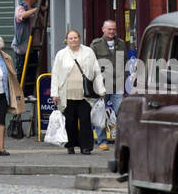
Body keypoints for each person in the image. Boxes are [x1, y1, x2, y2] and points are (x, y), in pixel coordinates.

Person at [51, 30, 105, 155]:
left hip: (84, 94)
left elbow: (96, 71)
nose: (73, 40)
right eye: (71, 38)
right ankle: (70, 145)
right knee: (70, 122)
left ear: (79, 38)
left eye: (75, 37)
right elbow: (55, 75)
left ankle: (86, 147)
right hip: (67, 94)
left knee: (85, 120)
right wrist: (55, 93)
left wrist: (101, 90)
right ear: (67, 40)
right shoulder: (61, 54)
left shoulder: (88, 52)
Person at [89, 19, 131, 151]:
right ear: (103, 29)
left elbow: (125, 63)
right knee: (100, 113)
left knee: (122, 113)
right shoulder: (95, 45)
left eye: (114, 29)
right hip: (101, 86)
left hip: (117, 85)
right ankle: (102, 141)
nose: (112, 31)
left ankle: (123, 140)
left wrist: (124, 80)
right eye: (109, 29)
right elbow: (92, 65)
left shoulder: (121, 44)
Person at [12, 0, 38, 88]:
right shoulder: (20, 7)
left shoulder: (32, 8)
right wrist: (36, 9)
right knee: (22, 70)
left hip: (32, 46)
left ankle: (29, 92)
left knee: (32, 71)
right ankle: (20, 93)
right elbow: (21, 16)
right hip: (22, 47)